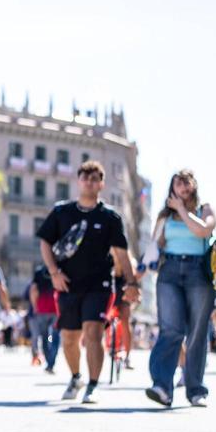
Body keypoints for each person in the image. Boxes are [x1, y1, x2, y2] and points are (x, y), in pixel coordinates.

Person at [37, 160, 138, 404]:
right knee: (69, 338)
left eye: (95, 179)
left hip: (100, 285)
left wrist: (132, 283)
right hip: (68, 284)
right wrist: (54, 273)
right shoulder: (62, 212)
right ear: (78, 181)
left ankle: (92, 385)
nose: (90, 182)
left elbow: (122, 252)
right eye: (85, 177)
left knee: (93, 333)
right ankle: (75, 377)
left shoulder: (110, 217)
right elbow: (45, 243)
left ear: (101, 184)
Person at [145, 169, 216, 408]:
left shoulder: (204, 209)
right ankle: (162, 387)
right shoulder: (165, 216)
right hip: (170, 271)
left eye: (187, 182)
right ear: (172, 188)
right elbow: (155, 245)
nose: (183, 187)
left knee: (197, 333)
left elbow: (203, 230)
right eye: (178, 183)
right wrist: (137, 275)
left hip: (199, 271)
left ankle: (196, 389)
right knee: (170, 329)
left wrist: (183, 211)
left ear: (194, 185)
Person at [27, 264, 60, 374]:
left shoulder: (39, 271)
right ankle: (51, 362)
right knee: (54, 336)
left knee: (46, 337)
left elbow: (33, 290)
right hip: (56, 309)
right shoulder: (60, 269)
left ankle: (49, 361)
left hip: (42, 309)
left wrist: (35, 306)